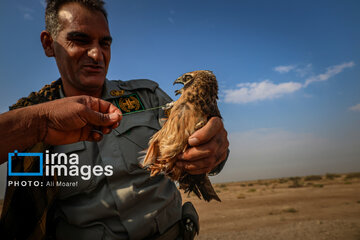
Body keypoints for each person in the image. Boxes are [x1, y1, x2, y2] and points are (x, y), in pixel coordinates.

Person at [0, 0, 229, 239]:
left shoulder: (148, 96)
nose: (97, 54)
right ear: (49, 44)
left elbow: (207, 148)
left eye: (105, 43)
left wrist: (215, 151)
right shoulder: (28, 123)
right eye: (80, 40)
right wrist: (37, 123)